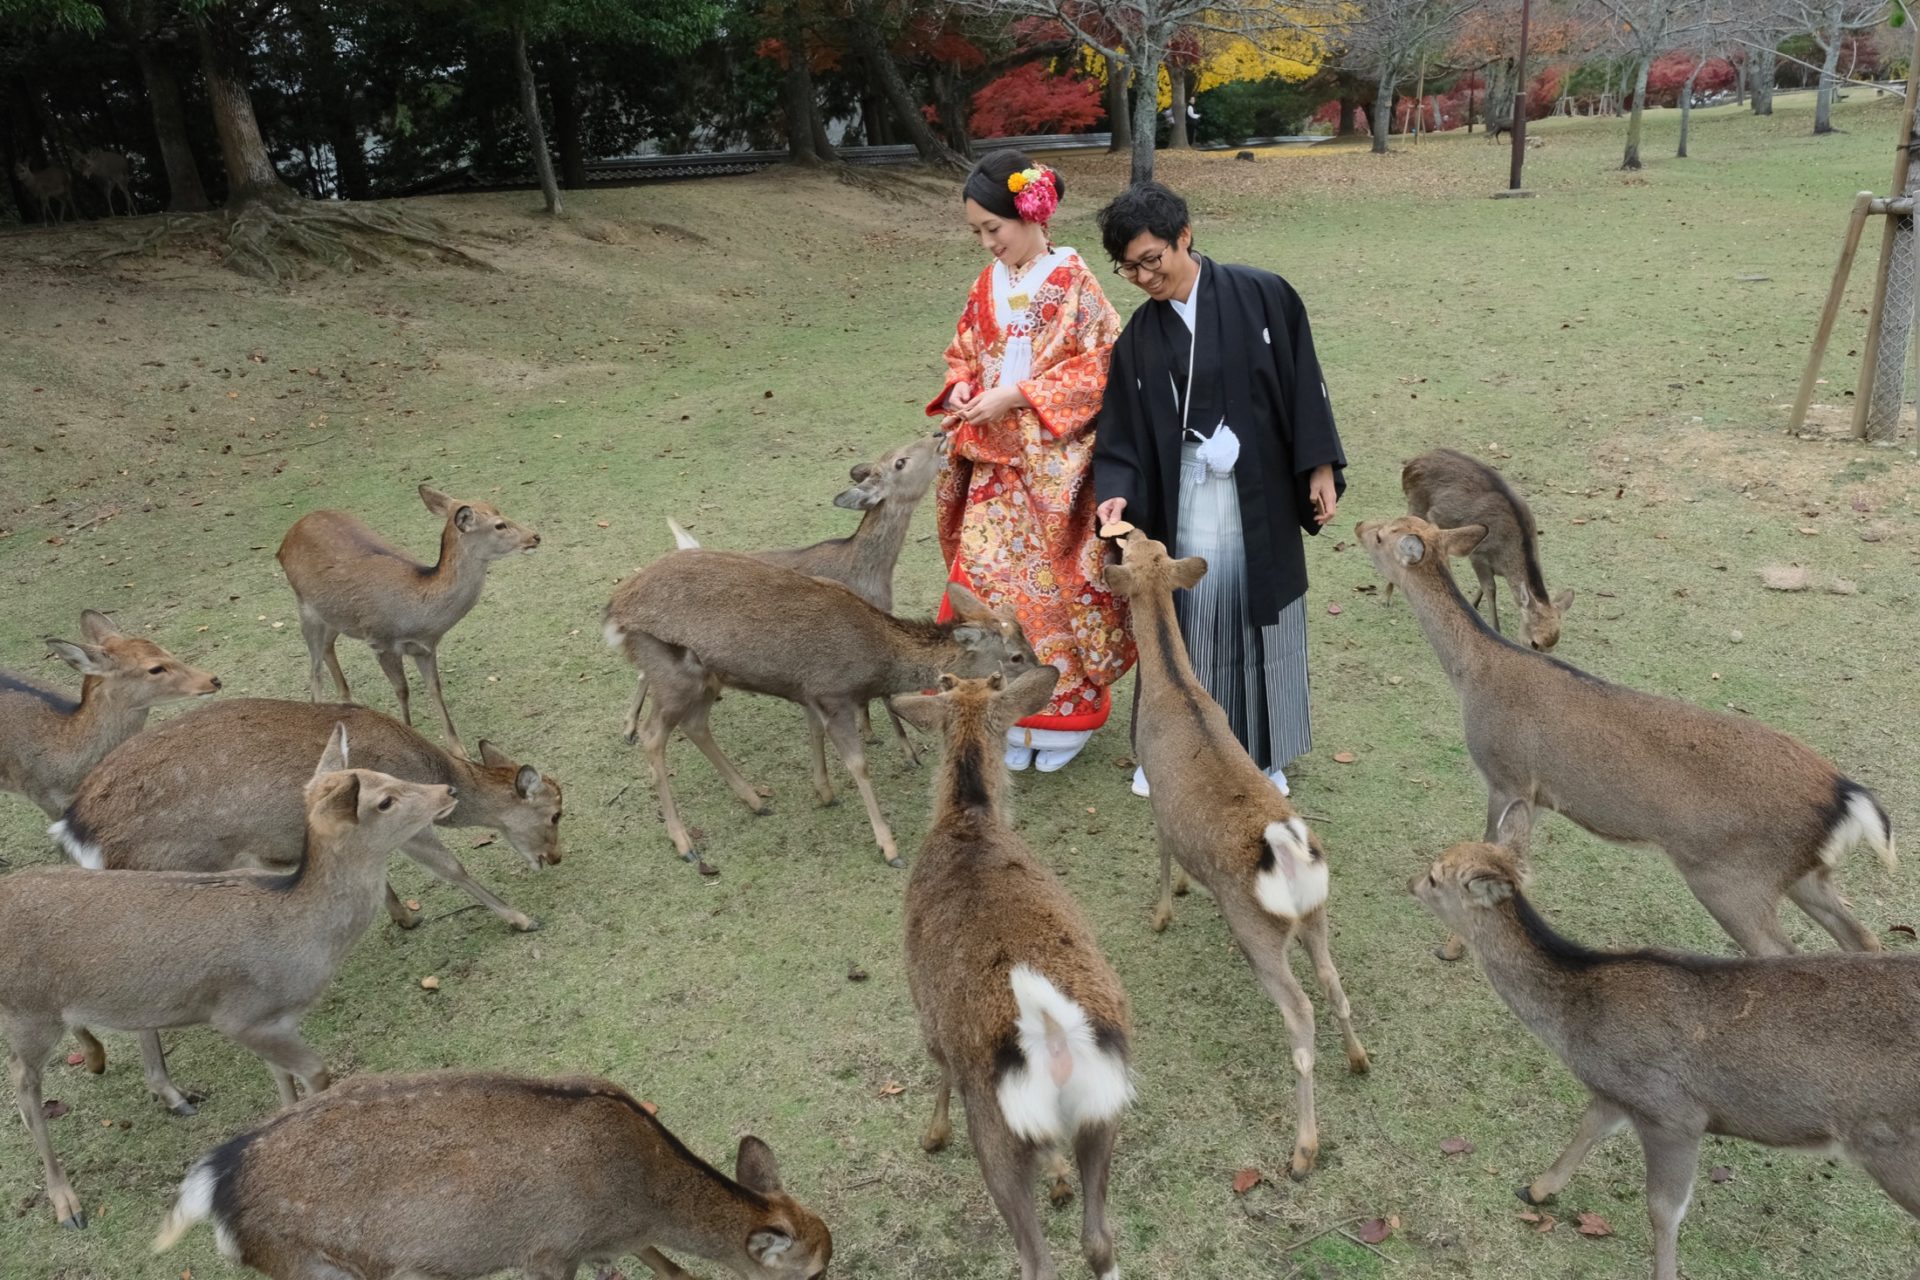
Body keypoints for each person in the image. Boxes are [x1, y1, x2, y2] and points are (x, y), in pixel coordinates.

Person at [1090, 181, 1346, 798]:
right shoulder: (1138, 341)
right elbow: (1121, 429)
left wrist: (1317, 465)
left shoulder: (1263, 294)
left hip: (1257, 493)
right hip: (1186, 499)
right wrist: (1119, 490)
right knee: (1190, 619)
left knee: (1263, 620)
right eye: (1129, 267)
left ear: (1185, 236)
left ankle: (1264, 754)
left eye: (1152, 258)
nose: (1144, 276)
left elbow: (1303, 380)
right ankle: (1175, 751)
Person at [927, 149, 1133, 773]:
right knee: (993, 593)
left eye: (994, 229)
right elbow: (963, 350)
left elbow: (1105, 365)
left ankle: (1068, 718)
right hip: (992, 469)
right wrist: (962, 386)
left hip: (1056, 473)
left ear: (1031, 213)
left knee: (1059, 597)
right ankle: (1007, 710)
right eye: (978, 233)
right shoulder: (984, 285)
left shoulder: (1076, 282)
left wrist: (1018, 395)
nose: (988, 244)